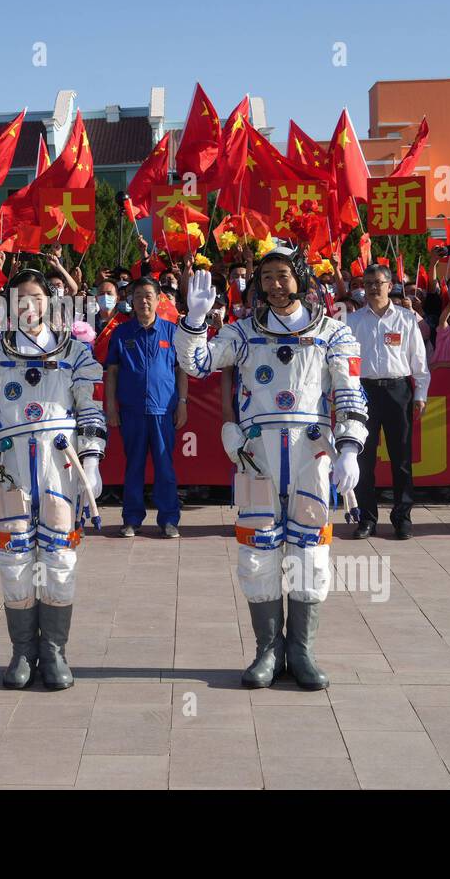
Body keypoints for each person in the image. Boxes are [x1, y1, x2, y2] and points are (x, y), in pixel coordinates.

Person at [176, 249, 367, 690]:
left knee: (310, 555)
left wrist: (350, 448)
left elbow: (350, 393)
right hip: (257, 456)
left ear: (300, 277)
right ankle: (268, 649)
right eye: (266, 278)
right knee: (257, 553)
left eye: (283, 275)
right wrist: (195, 319)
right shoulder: (243, 332)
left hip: (311, 455)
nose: (275, 285)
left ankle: (301, 650)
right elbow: (198, 363)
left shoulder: (333, 333)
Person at [0, 270, 106, 690]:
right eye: (19, 300)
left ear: (51, 302)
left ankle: (54, 652)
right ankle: (22, 650)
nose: (29, 307)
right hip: (8, 468)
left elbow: (89, 410)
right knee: (14, 560)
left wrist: (92, 460)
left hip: (60, 468)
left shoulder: (75, 353)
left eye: (36, 298)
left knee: (59, 559)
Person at [344, 264, 430, 540]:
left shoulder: (406, 318)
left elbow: (419, 361)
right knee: (363, 458)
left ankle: (402, 518)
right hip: (364, 393)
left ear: (389, 284)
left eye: (377, 282)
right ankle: (367, 518)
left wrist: (420, 395)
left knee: (401, 458)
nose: (371, 287)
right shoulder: (354, 321)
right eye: (366, 282)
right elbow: (347, 362)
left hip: (398, 391)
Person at [105, 277, 186, 539]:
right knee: (134, 466)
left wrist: (182, 403)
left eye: (148, 295)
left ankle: (169, 520)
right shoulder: (121, 333)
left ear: (158, 298)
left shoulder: (172, 332)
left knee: (165, 466)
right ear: (131, 300)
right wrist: (111, 406)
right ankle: (131, 519)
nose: (143, 301)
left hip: (164, 411)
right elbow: (112, 372)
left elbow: (181, 370)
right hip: (132, 411)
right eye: (138, 295)